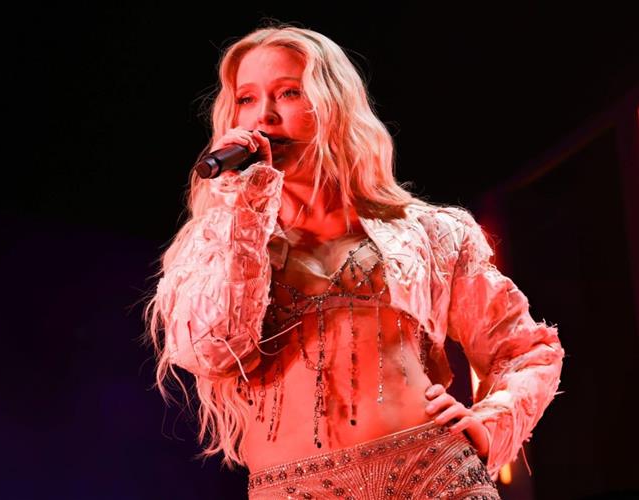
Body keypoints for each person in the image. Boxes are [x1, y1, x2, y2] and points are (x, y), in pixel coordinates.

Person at [143, 23, 564, 499]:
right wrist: (245, 208)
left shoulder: (431, 232)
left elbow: (527, 350)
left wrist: (491, 423)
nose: (265, 115)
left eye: (289, 92)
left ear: (334, 104)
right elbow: (213, 352)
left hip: (434, 476)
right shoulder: (215, 245)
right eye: (247, 99)